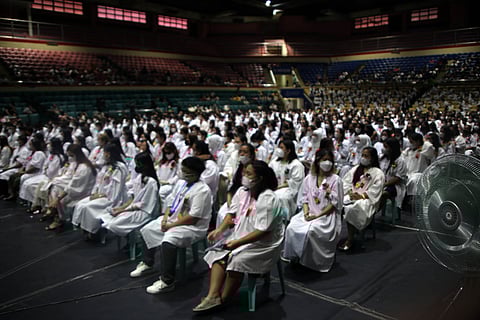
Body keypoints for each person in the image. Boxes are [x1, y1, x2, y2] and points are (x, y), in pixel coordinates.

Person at [192, 160, 283, 313]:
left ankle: (224, 299)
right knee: (217, 253)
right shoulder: (242, 192)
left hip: (262, 244)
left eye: (248, 174)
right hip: (241, 235)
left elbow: (263, 231)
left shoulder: (268, 199)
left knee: (237, 260)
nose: (244, 176)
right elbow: (232, 215)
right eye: (244, 173)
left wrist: (238, 243)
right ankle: (213, 296)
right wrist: (219, 230)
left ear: (259, 178)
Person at [129, 157, 212, 294]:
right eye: (183, 170)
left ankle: (167, 281)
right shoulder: (181, 184)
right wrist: (165, 219)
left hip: (192, 226)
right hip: (173, 220)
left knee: (168, 242)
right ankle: (147, 263)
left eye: (187, 171)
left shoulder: (203, 190)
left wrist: (170, 226)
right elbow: (170, 203)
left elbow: (193, 217)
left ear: (196, 173)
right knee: (147, 229)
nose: (184, 173)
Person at [282, 149, 343, 272]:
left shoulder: (336, 180)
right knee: (291, 227)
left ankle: (312, 261)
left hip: (326, 215)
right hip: (309, 212)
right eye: (324, 160)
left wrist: (317, 216)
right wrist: (305, 213)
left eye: (330, 160)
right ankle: (295, 255)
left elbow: (335, 204)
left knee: (311, 231)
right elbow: (304, 199)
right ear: (317, 161)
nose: (327, 163)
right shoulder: (309, 178)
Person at [71, 143, 129, 238]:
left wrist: (105, 196)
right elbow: (99, 181)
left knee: (88, 207)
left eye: (104, 153)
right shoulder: (106, 166)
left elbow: (116, 188)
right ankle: (85, 228)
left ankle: (94, 231)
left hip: (113, 198)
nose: (102, 155)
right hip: (101, 194)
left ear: (109, 154)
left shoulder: (119, 167)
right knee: (80, 204)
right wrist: (95, 193)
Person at [102, 151, 159, 238]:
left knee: (115, 224)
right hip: (134, 208)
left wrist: (122, 210)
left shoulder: (151, 182)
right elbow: (134, 198)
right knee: (110, 217)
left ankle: (132, 243)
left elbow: (144, 205)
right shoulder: (139, 178)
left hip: (144, 212)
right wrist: (122, 207)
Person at [339, 147, 384, 251]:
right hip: (352, 195)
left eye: (366, 156)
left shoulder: (378, 173)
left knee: (352, 208)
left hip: (367, 200)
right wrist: (350, 192)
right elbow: (346, 183)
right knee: (339, 203)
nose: (363, 158)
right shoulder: (356, 169)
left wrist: (362, 196)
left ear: (372, 158)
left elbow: (375, 191)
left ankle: (350, 239)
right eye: (362, 155)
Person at [45, 144, 97, 230]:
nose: (70, 158)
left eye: (71, 155)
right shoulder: (75, 163)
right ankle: (54, 212)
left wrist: (58, 199)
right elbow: (69, 176)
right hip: (74, 186)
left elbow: (74, 186)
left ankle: (58, 218)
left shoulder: (84, 168)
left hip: (81, 191)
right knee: (54, 186)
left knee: (61, 199)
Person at [269, 140, 305, 219]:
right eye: (279, 147)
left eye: (281, 147)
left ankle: (284, 219)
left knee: (281, 197)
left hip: (288, 189)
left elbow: (296, 183)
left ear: (288, 150)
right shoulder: (274, 162)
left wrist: (279, 187)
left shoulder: (296, 164)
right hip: (274, 187)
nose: (279, 149)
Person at [378, 137, 407, 213]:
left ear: (392, 148)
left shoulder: (400, 160)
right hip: (381, 182)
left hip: (394, 185)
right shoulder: (383, 158)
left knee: (382, 194)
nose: (384, 149)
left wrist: (384, 184)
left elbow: (397, 178)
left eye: (386, 147)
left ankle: (374, 212)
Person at [156, 142, 179, 210]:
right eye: (166, 153)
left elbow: (178, 175)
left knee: (161, 193)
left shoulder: (178, 162)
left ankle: (163, 211)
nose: (167, 155)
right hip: (161, 183)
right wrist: (158, 179)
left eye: (169, 153)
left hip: (170, 185)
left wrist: (169, 182)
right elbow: (158, 171)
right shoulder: (162, 162)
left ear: (173, 151)